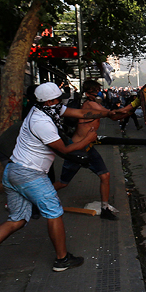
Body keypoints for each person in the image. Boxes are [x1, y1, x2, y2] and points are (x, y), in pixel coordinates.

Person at [0, 82, 120, 282]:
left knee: (17, 219)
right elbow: (64, 150)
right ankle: (62, 259)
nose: (61, 102)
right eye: (58, 99)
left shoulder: (46, 110)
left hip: (14, 171)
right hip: (30, 174)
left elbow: (81, 114)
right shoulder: (41, 121)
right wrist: (88, 138)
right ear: (49, 101)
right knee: (54, 212)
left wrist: (108, 114)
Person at [53, 79, 129, 221]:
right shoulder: (91, 105)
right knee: (63, 183)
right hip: (77, 149)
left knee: (105, 175)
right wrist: (133, 106)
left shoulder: (93, 104)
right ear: (89, 93)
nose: (99, 93)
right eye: (96, 91)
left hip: (87, 147)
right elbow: (113, 115)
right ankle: (34, 199)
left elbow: (114, 116)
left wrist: (128, 110)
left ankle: (105, 208)